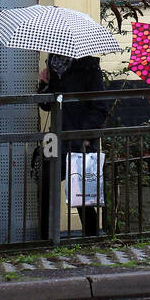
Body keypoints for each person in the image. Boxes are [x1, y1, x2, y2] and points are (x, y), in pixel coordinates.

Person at [38, 54, 109, 238]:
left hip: (79, 138)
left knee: (81, 194)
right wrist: (44, 84)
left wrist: (84, 135)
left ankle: (91, 238)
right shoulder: (53, 64)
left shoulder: (88, 67)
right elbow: (45, 105)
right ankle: (46, 239)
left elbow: (100, 107)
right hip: (56, 136)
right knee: (45, 182)